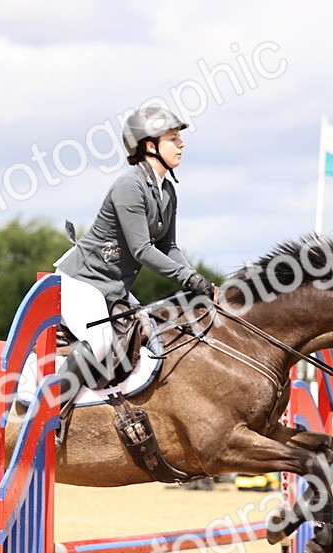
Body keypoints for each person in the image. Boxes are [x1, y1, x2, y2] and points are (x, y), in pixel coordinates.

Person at [53, 105, 216, 415]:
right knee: (100, 341)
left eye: (179, 138)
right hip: (83, 281)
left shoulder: (167, 191)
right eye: (173, 138)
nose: (181, 144)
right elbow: (142, 250)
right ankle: (49, 411)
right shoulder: (130, 185)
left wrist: (199, 281)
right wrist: (189, 280)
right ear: (149, 145)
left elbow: (169, 247)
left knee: (152, 336)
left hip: (112, 287)